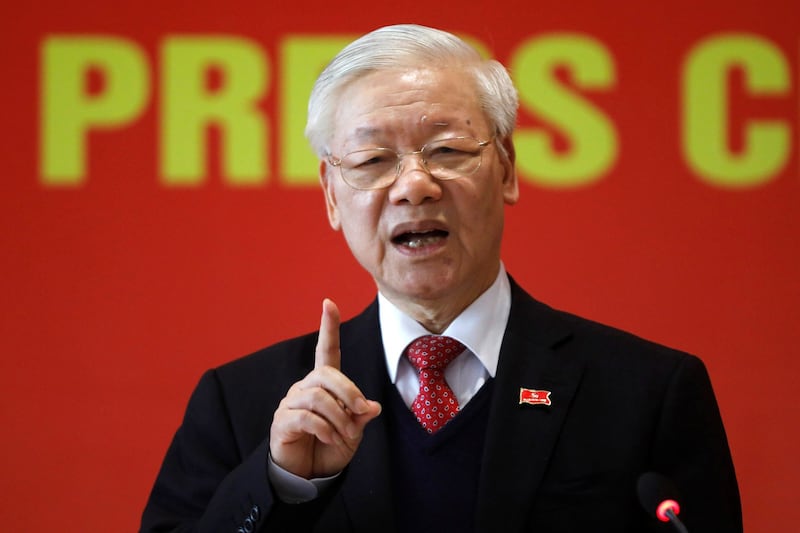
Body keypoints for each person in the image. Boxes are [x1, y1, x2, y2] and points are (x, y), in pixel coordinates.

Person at [140, 24, 742, 532]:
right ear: (331, 195)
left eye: (448, 151)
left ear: (506, 169)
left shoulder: (647, 394)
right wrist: (282, 482)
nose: (414, 186)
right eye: (373, 161)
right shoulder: (242, 403)